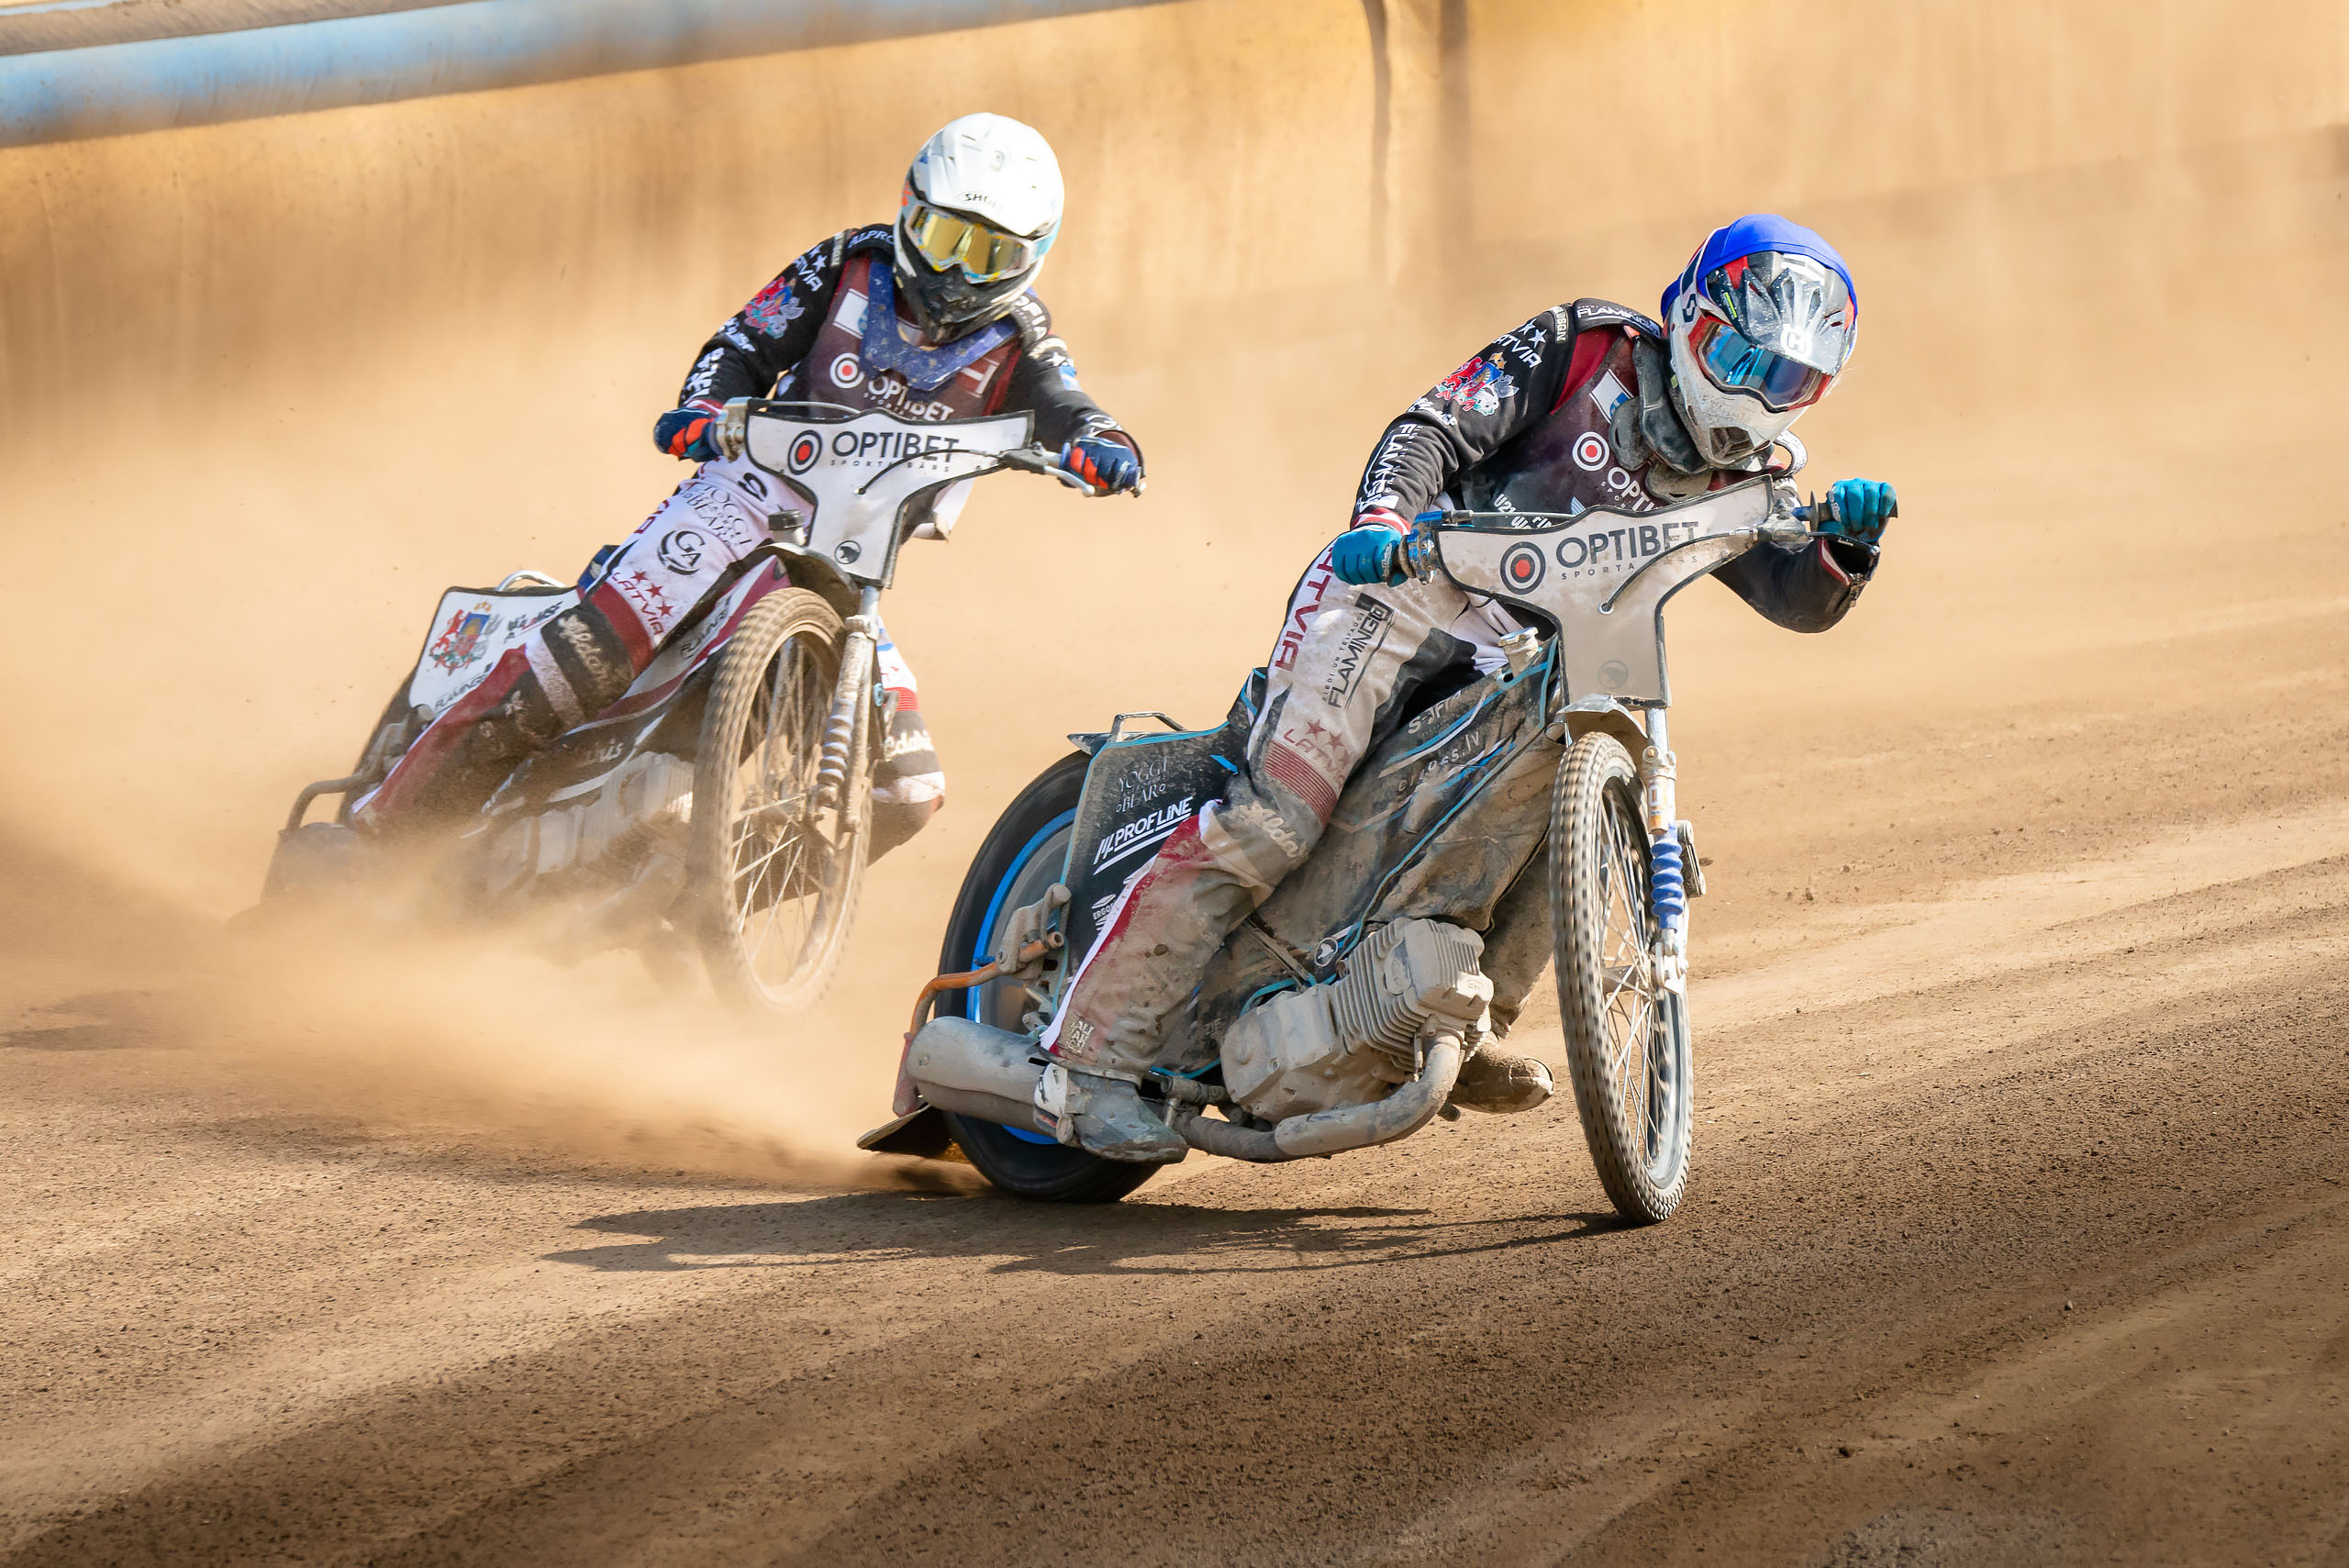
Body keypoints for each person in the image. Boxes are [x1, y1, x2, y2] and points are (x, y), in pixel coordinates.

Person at [1037, 213, 1898, 1162]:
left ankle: (1458, 1017)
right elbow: (1433, 425)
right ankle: (1086, 1066)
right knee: (1275, 817)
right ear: (1688, 317)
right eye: (1737, 356)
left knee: (1558, 806)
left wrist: (1841, 551)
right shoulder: (1585, 348)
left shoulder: (1751, 477)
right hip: (1408, 591)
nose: (1753, 394)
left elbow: (1793, 598)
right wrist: (1383, 516)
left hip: (1531, 662)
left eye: (1788, 379)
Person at [353, 113, 1142, 856]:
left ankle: (688, 891)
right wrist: (701, 408)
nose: (955, 272)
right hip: (739, 500)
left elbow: (1070, 406)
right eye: (942, 237)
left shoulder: (1022, 340)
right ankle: (380, 833)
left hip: (850, 566)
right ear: (908, 214)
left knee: (908, 790)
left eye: (989, 255)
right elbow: (743, 341)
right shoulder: (845, 265)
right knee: (585, 658)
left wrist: (1102, 445)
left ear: (1032, 259)